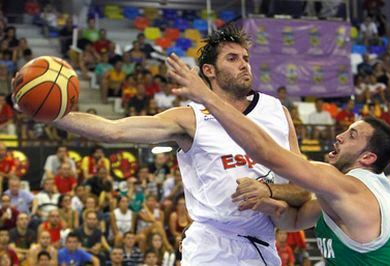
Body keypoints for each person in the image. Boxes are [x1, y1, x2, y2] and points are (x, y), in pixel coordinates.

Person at [51, 25, 310, 265]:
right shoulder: (191, 118)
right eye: (232, 59)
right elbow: (113, 131)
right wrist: (55, 116)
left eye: (245, 58)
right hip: (211, 246)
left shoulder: (276, 111)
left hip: (263, 247)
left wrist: (268, 191)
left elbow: (301, 189)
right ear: (209, 71)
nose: (244, 65)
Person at [166, 46, 390, 264]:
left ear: (367, 158)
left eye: (352, 136)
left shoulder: (348, 187)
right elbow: (292, 222)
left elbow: (266, 153)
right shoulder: (344, 198)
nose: (339, 136)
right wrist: (261, 203)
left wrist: (206, 95)